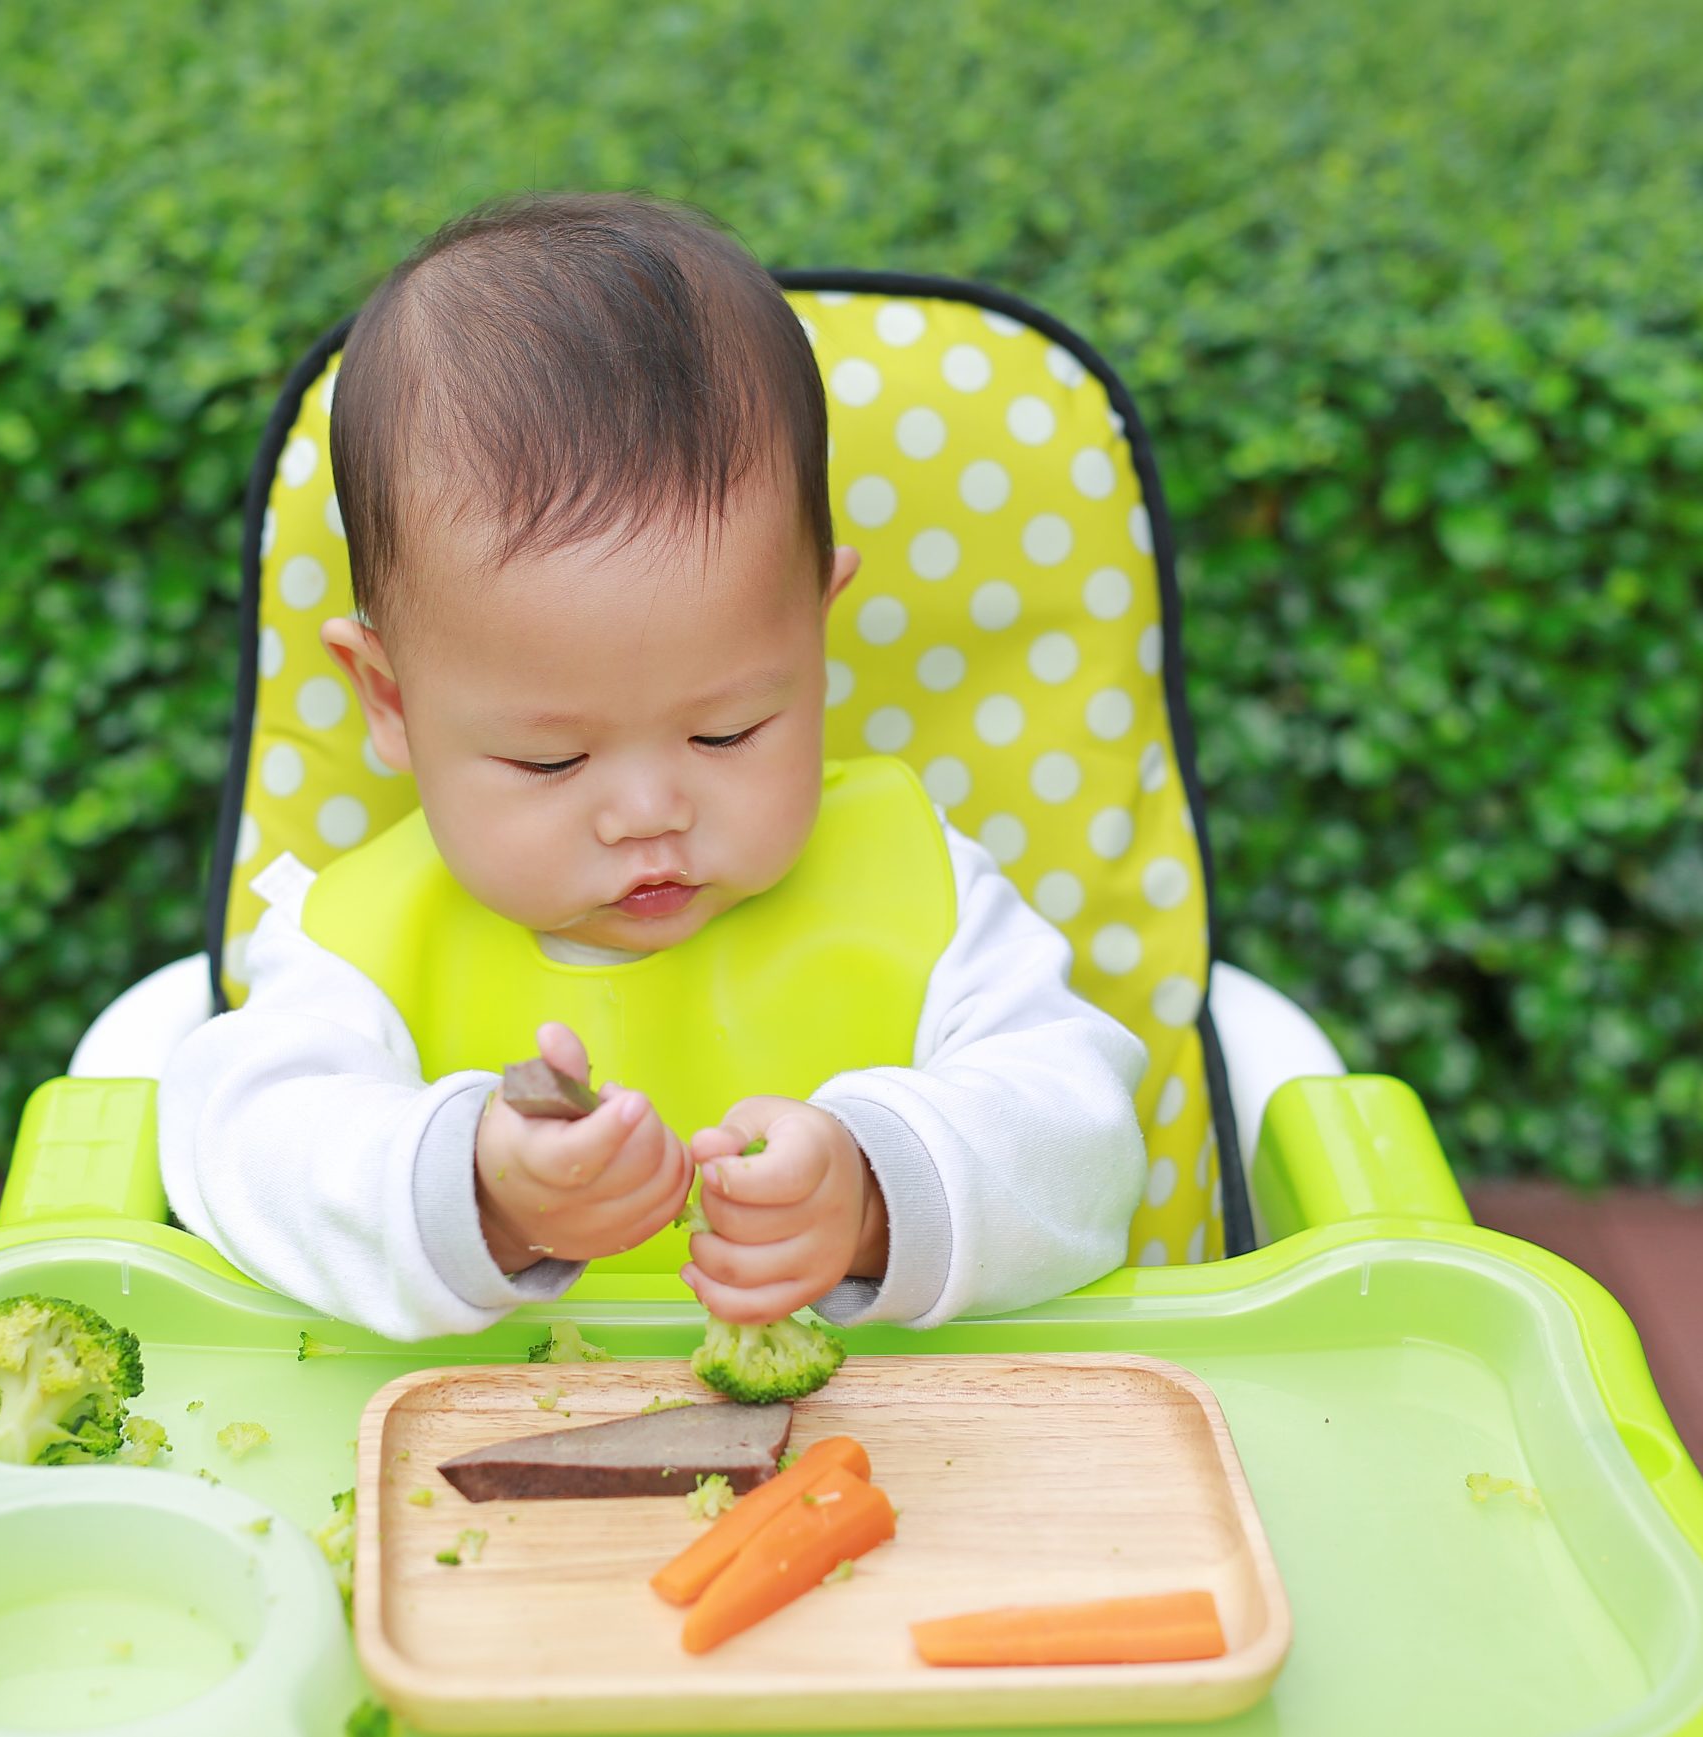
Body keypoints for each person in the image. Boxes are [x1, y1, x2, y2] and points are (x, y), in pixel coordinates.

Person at [158, 190, 1148, 1341]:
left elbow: (1088, 1141)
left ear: (815, 638)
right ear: (390, 700)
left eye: (725, 732)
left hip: (896, 1470)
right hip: (456, 1475)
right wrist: (473, 1194)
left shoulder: (924, 893)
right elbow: (237, 1152)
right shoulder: (360, 947)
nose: (645, 811)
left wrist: (880, 1194)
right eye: (548, 758)